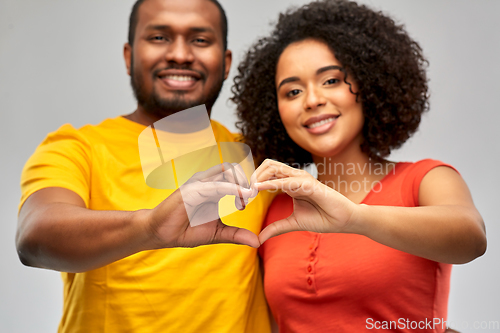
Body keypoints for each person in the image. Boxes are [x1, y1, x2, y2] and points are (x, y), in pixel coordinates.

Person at [16, 0, 275, 332]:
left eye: (200, 40)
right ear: (128, 56)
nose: (180, 54)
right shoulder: (79, 147)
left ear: (226, 63)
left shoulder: (258, 155)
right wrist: (149, 228)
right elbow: (34, 236)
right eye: (159, 38)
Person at [232, 0, 487, 332]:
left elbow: (472, 239)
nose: (311, 100)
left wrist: (355, 217)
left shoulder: (424, 180)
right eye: (293, 91)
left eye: (332, 81)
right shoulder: (277, 208)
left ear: (369, 83)